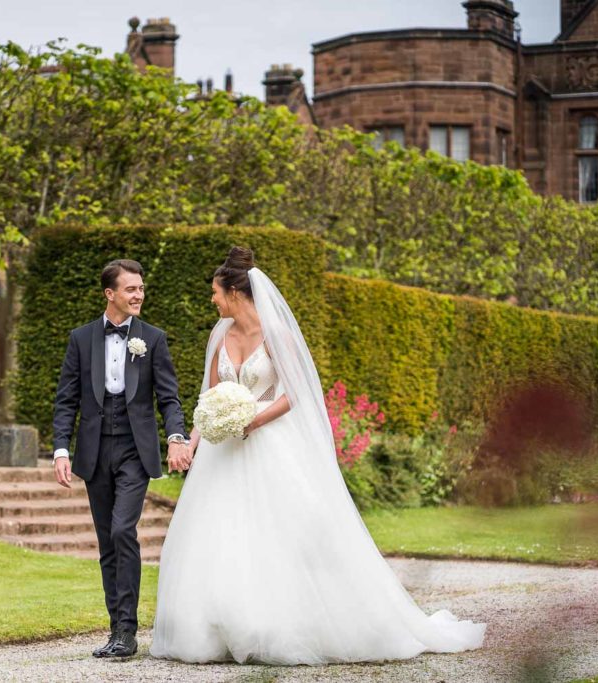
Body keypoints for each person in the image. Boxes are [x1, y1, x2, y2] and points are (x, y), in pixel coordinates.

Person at [150, 246, 486, 665]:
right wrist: (193, 441)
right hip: (225, 455)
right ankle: (217, 630)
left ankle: (285, 625)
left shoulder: (277, 337)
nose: (213, 300)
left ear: (235, 293)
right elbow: (210, 397)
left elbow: (296, 393)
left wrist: (254, 419)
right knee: (220, 534)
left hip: (270, 443)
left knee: (283, 535)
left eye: (216, 293)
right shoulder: (220, 336)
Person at [52, 258, 192, 659]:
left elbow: (168, 396)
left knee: (121, 531)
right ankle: (117, 630)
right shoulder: (80, 339)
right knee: (106, 543)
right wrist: (61, 448)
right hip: (95, 451)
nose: (139, 295)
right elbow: (66, 400)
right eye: (131, 289)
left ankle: (128, 632)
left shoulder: (154, 338)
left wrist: (177, 436)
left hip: (135, 449)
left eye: (142, 288)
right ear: (109, 294)